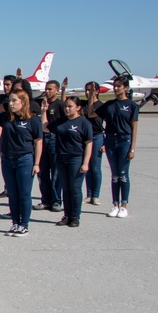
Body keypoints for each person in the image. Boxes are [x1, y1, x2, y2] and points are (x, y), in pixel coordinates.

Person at [0, 87, 42, 237]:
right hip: (7, 159)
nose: (11, 104)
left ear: (23, 102)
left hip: (25, 160)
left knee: (24, 194)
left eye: (14, 101)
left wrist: (36, 163)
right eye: (10, 101)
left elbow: (38, 142)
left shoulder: (33, 120)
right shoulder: (6, 117)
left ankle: (24, 224)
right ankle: (15, 222)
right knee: (12, 193)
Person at [88, 75, 139, 218]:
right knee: (115, 175)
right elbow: (91, 113)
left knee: (123, 175)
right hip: (110, 140)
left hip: (124, 140)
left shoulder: (132, 105)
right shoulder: (110, 104)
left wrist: (132, 148)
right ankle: (115, 204)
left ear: (126, 88)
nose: (116, 89)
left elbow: (134, 127)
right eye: (115, 86)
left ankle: (124, 205)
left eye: (119, 86)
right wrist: (92, 95)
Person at [47, 97, 93, 227]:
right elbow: (46, 128)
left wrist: (85, 163)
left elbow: (89, 143)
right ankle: (66, 215)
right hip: (61, 158)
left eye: (70, 106)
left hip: (76, 158)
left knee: (75, 188)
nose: (67, 109)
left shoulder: (84, 123)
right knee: (65, 189)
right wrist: (44, 111)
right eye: (66, 106)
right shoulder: (61, 122)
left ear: (78, 107)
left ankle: (75, 216)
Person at [35, 79, 67, 212]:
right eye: (46, 89)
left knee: (55, 173)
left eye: (50, 89)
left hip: (55, 139)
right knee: (42, 172)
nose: (47, 91)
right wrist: (43, 110)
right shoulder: (42, 103)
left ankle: (56, 201)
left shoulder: (60, 105)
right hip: (43, 139)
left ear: (57, 90)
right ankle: (45, 200)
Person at [83, 81, 105, 205]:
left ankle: (95, 195)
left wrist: (105, 143)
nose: (88, 92)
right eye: (86, 90)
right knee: (87, 167)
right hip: (85, 139)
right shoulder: (83, 105)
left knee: (95, 168)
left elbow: (109, 124)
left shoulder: (101, 106)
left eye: (91, 90)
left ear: (97, 91)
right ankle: (89, 194)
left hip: (97, 137)